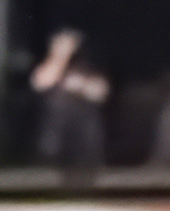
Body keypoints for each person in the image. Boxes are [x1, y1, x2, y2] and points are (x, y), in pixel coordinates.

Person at [30, 29, 110, 184]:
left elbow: (101, 92)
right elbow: (41, 82)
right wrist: (60, 57)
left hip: (84, 135)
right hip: (56, 134)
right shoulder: (49, 64)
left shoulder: (88, 67)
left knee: (84, 177)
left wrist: (81, 86)